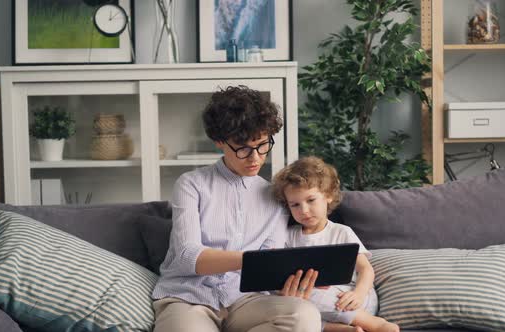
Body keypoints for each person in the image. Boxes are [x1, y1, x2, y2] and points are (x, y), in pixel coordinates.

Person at [152, 86, 321, 332]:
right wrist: (257, 261)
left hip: (246, 299)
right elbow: (190, 257)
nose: (255, 158)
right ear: (220, 141)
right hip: (189, 298)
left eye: (263, 145)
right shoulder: (191, 184)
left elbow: (269, 266)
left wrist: (292, 282)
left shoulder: (276, 196)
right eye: (243, 148)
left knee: (304, 315)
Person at [272, 156, 400, 332]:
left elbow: (365, 269)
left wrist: (359, 293)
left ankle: (375, 324)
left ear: (328, 196)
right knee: (281, 299)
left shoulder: (341, 232)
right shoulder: (288, 236)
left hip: (351, 298)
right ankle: (338, 328)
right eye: (295, 205)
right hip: (310, 301)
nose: (304, 210)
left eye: (311, 200)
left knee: (310, 296)